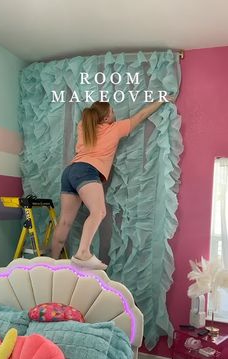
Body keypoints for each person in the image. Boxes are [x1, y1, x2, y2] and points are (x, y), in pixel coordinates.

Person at [51, 96, 175, 269]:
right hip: (87, 171)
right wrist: (161, 100)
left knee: (64, 221)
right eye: (112, 111)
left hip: (71, 171)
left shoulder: (83, 127)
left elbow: (92, 117)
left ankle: (49, 262)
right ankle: (83, 253)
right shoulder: (115, 129)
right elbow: (141, 115)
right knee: (99, 212)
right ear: (107, 118)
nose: (115, 113)